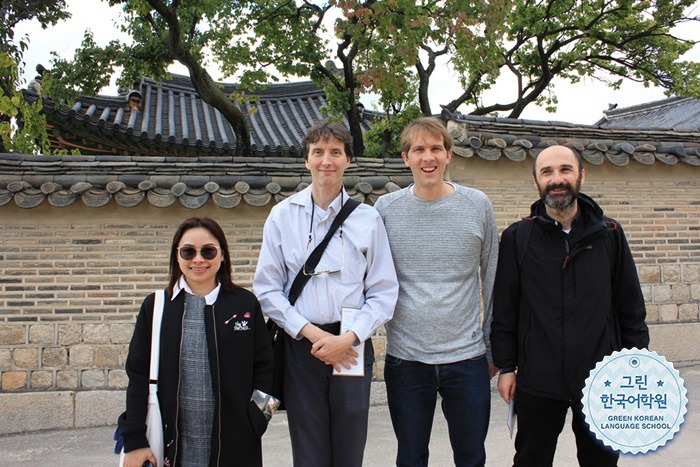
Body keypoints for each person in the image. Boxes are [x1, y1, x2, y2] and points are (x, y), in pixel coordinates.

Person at [490, 145, 650, 466]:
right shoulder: (517, 237)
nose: (557, 179)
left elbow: (630, 306)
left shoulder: (609, 234)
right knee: (531, 460)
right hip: (537, 378)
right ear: (536, 180)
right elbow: (505, 309)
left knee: (601, 462)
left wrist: (637, 366)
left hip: (601, 378)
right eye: (547, 172)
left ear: (581, 175)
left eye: (565, 170)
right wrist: (506, 367)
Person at [254, 120, 399, 467]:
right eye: (318, 152)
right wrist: (314, 334)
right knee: (309, 448)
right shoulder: (282, 216)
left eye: (335, 152)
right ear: (306, 160)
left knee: (350, 446)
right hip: (302, 344)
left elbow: (383, 291)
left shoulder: (367, 219)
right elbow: (267, 288)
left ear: (348, 159)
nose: (326, 161)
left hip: (351, 345)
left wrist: (348, 338)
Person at [373, 117, 499, 467]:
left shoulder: (477, 205)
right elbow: (374, 279)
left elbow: (492, 278)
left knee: (471, 457)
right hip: (406, 359)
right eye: (418, 150)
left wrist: (491, 349)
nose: (427, 157)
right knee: (411, 458)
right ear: (405, 158)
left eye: (435, 149)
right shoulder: (385, 210)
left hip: (467, 356)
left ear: (448, 155)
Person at [118, 217, 273, 467]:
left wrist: (257, 420)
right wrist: (134, 440)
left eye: (208, 251)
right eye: (188, 251)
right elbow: (137, 376)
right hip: (172, 443)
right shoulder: (156, 307)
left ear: (222, 255)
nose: (198, 259)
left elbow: (267, 371)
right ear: (177, 256)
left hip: (236, 445)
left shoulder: (245, 304)